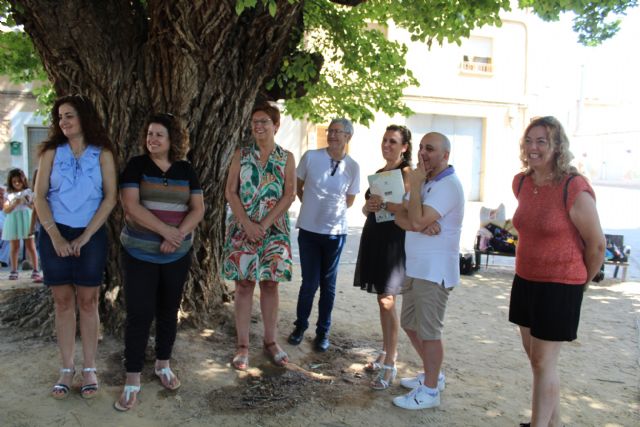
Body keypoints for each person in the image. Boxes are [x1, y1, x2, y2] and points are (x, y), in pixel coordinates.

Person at [508, 116, 605, 427]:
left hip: (560, 285)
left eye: (542, 141)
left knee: (542, 361)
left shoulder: (573, 187)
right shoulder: (521, 182)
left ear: (557, 146)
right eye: (529, 140)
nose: (533, 147)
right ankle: (555, 423)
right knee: (538, 362)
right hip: (525, 280)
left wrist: (580, 284)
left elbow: (597, 245)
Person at [115, 113, 205, 411]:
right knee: (139, 313)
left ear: (172, 140)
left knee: (168, 310)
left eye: (159, 135)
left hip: (176, 254)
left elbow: (198, 208)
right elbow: (130, 206)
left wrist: (176, 236)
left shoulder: (186, 170)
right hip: (139, 253)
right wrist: (166, 231)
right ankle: (132, 378)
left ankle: (163, 364)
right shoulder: (136, 166)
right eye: (149, 134)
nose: (152, 139)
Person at [34, 94, 117, 400]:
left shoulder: (103, 153)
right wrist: (55, 235)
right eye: (59, 117)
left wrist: (85, 236)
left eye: (69, 115)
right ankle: (66, 369)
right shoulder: (51, 153)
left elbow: (110, 197)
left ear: (84, 117)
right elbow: (39, 196)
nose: (63, 122)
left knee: (88, 301)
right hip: (54, 231)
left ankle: (90, 368)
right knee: (62, 302)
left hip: (90, 233)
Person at [391, 132, 465, 410]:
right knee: (410, 325)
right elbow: (397, 216)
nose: (423, 153)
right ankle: (434, 374)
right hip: (416, 268)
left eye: (430, 149)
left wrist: (417, 217)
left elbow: (416, 218)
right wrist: (416, 220)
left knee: (430, 332)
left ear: (445, 155)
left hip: (435, 272)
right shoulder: (424, 180)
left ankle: (431, 389)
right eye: (421, 147)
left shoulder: (447, 185)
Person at [223, 103, 296, 371]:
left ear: (276, 125)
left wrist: (262, 225)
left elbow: (289, 195)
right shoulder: (240, 155)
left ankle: (270, 341)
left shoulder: (286, 158)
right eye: (255, 121)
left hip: (273, 230)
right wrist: (247, 223)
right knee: (243, 285)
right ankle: (242, 346)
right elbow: (230, 192)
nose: (258, 126)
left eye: (264, 121)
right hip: (243, 229)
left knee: (269, 284)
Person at [288, 118, 360, 352]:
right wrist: (309, 203)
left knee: (328, 285)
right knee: (308, 283)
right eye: (331, 130)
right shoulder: (311, 157)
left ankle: (322, 333)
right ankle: (300, 327)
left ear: (348, 137)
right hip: (308, 230)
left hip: (335, 234)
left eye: (338, 132)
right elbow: (297, 185)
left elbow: (349, 201)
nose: (332, 135)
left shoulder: (353, 166)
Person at [353, 125, 412, 389]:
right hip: (374, 237)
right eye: (385, 140)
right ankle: (386, 350)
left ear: (404, 147)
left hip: (394, 241)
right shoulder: (379, 173)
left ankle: (391, 360)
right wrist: (369, 206)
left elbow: (411, 207)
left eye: (393, 141)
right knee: (382, 300)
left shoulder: (408, 174)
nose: (387, 145)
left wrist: (386, 205)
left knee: (388, 300)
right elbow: (368, 210)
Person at [2, 168, 41, 282]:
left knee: (30, 245)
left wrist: (26, 202)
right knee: (14, 246)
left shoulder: (28, 192)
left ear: (23, 180)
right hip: (13, 220)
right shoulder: (8, 194)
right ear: (11, 182)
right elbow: (6, 210)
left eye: (19, 181)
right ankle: (14, 270)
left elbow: (34, 208)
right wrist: (14, 204)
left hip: (26, 219)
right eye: (14, 181)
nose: (17, 183)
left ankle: (35, 269)